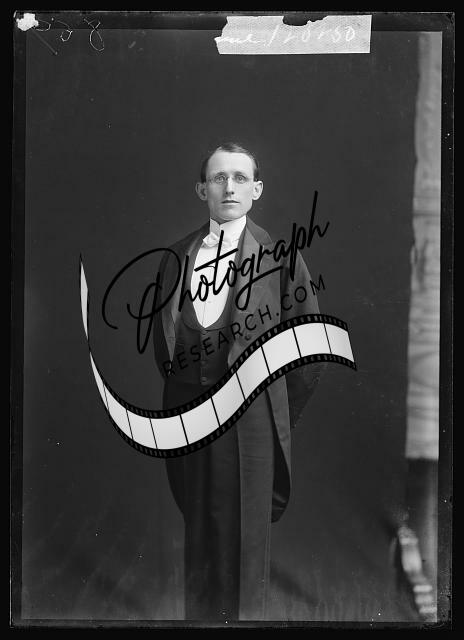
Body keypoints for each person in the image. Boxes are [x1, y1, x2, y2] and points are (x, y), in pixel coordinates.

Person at [153, 142, 325, 621]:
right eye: (219, 178)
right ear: (202, 190)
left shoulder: (281, 258)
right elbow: (165, 343)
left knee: (246, 548)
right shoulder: (176, 255)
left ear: (257, 190)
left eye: (240, 178)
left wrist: (271, 413)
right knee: (200, 538)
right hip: (192, 419)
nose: (229, 187)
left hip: (251, 425)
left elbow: (309, 352)